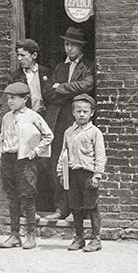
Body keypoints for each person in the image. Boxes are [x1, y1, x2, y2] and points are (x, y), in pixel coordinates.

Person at [40, 26, 95, 222]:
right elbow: (47, 91)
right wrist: (67, 91)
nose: (69, 48)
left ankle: (79, 210)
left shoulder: (87, 67)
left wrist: (61, 88)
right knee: (57, 163)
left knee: (79, 165)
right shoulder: (59, 68)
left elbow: (86, 86)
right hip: (57, 122)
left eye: (73, 45)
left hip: (76, 122)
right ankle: (61, 208)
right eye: (66, 44)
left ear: (81, 47)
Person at [0, 82, 53, 250]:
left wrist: (35, 151)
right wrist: (1, 151)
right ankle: (14, 235)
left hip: (25, 160)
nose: (10, 101)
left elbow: (48, 135)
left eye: (13, 98)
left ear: (25, 99)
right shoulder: (7, 117)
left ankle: (31, 235)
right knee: (12, 198)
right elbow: (2, 137)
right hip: (8, 159)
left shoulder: (33, 116)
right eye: (8, 98)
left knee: (27, 197)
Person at [56, 94, 107, 252]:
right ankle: (78, 238)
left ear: (92, 113)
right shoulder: (69, 132)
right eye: (78, 111)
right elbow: (64, 153)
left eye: (85, 111)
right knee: (76, 207)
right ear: (73, 112)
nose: (82, 114)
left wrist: (97, 175)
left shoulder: (95, 132)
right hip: (73, 174)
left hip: (88, 175)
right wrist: (60, 171)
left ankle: (96, 239)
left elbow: (100, 155)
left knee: (91, 207)